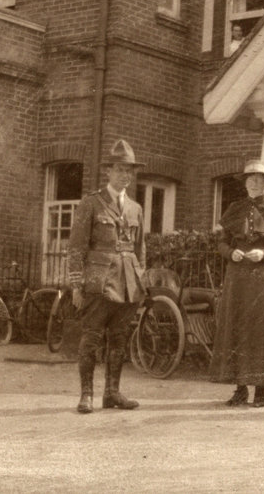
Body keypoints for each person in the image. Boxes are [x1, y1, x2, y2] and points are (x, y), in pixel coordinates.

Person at [67, 139, 147, 414]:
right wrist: (77, 284)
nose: (125, 175)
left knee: (120, 339)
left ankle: (112, 393)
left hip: (128, 286)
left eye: (129, 171)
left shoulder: (136, 208)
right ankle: (86, 395)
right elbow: (76, 246)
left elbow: (140, 250)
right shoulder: (92, 203)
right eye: (120, 169)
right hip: (98, 283)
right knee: (91, 338)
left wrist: (140, 281)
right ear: (109, 172)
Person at [210, 160, 264, 408]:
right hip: (237, 276)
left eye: (259, 178)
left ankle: (261, 391)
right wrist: (230, 252)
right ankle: (240, 389)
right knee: (237, 328)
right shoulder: (234, 208)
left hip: (262, 277)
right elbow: (221, 242)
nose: (254, 182)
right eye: (250, 178)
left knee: (260, 330)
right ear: (245, 183)